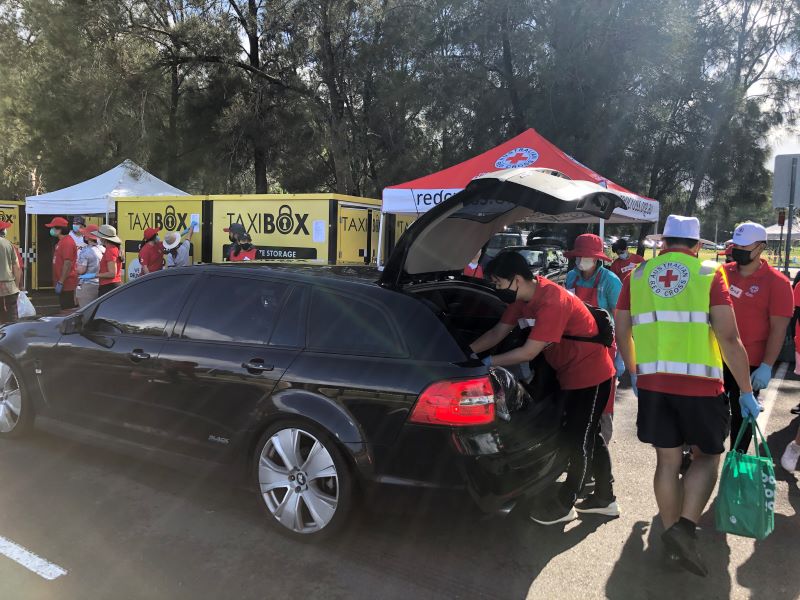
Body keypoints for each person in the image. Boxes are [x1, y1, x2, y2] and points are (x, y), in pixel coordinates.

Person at [615, 214, 755, 577]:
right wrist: (746, 389)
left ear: (663, 243)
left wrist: (634, 370)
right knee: (707, 456)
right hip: (701, 386)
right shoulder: (709, 276)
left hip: (654, 385)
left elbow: (622, 326)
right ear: (696, 246)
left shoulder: (638, 275)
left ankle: (670, 536)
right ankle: (685, 529)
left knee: (667, 462)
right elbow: (728, 338)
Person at [470, 252, 617, 524]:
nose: (496, 289)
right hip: (568, 373)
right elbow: (497, 333)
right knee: (588, 434)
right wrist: (466, 354)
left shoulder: (553, 300)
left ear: (516, 279)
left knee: (579, 438)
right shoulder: (523, 299)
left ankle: (565, 502)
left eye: (498, 283)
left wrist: (487, 362)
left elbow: (528, 352)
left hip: (591, 374)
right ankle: (606, 498)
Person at [723, 222, 792, 452]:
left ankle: (737, 461)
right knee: (711, 413)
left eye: (745, 246)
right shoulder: (722, 273)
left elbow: (778, 329)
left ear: (761, 247)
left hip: (749, 363)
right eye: (736, 246)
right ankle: (702, 458)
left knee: (741, 418)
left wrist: (766, 366)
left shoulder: (778, 283)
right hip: (715, 357)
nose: (738, 251)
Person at [565, 234, 622, 444]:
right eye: (579, 256)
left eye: (586, 256)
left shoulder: (610, 281)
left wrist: (622, 355)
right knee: (578, 400)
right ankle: (576, 448)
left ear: (597, 258)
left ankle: (601, 451)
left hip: (603, 348)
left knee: (603, 404)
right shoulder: (571, 277)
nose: (581, 260)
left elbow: (620, 317)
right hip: (576, 346)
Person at [46, 216, 78, 310]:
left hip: (67, 284)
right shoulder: (62, 241)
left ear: (59, 229)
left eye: (53, 228)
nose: (51, 230)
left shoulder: (67, 242)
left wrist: (61, 281)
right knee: (64, 308)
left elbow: (67, 263)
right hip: (64, 283)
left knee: (68, 309)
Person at [75, 224, 103, 307]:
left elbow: (81, 270)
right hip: (101, 284)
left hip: (87, 285)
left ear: (87, 237)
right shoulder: (103, 249)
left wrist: (75, 267)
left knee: (85, 312)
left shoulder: (85, 251)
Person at [94, 224, 123, 296]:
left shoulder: (110, 250)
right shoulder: (114, 248)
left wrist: (95, 275)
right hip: (111, 285)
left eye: (99, 236)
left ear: (104, 238)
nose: (98, 238)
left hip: (109, 287)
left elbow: (112, 274)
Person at [0, 221, 21, 323]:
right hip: (9, 288)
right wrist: (16, 286)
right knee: (11, 322)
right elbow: (16, 268)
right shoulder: (8, 244)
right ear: (3, 231)